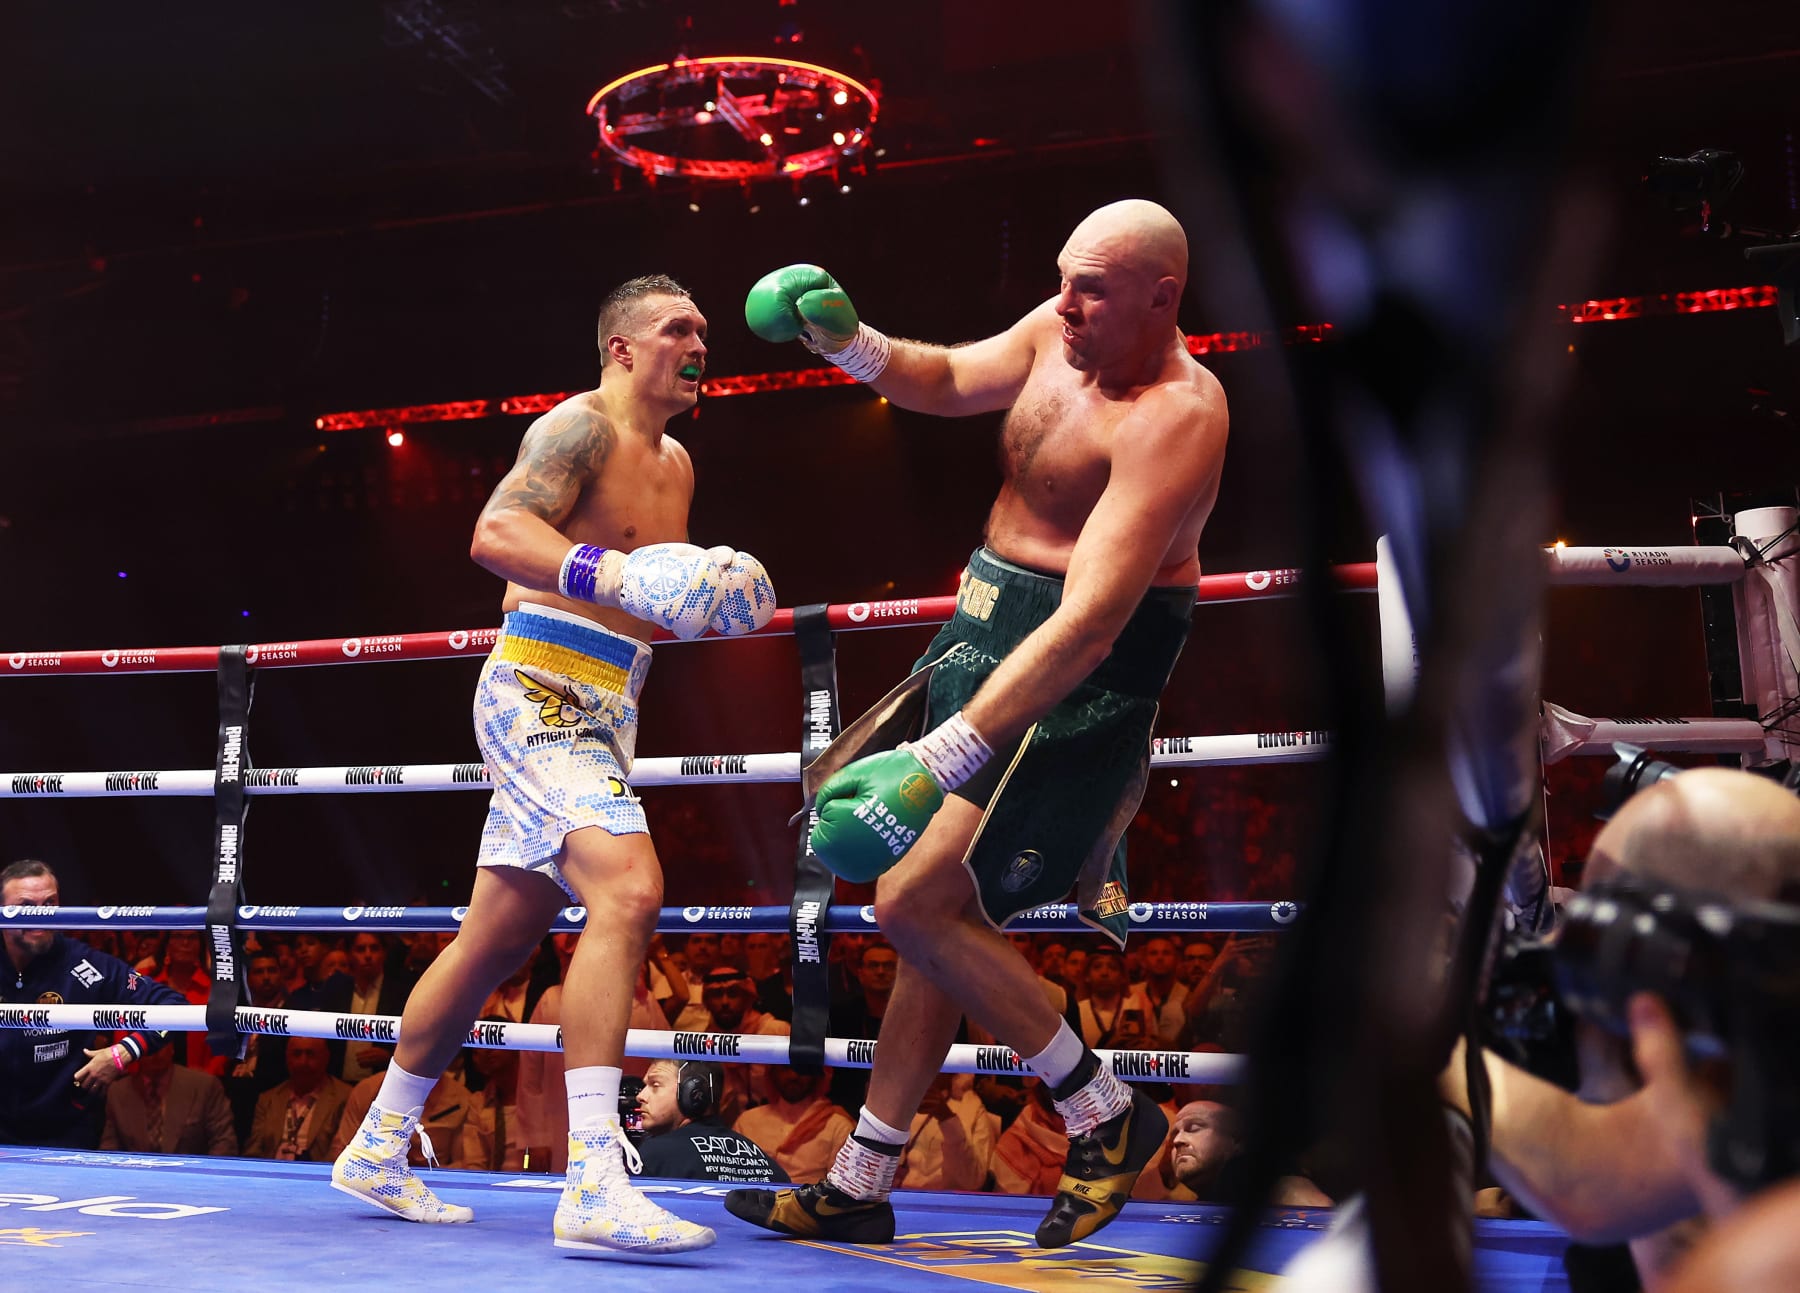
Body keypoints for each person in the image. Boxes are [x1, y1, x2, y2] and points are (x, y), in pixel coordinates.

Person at [728, 198, 1227, 1247]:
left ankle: (1102, 1110)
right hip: (978, 640)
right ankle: (861, 1186)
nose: (1065, 303)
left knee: (912, 904)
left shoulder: (1179, 414)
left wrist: (949, 748)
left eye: (1091, 287)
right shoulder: (1058, 333)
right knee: (937, 933)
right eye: (1063, 277)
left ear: (1162, 297)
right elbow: (950, 378)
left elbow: (1092, 623)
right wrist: (849, 343)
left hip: (1073, 684)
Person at [329, 273, 774, 1255]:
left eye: (703, 328)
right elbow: (496, 533)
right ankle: (594, 1182)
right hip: (538, 688)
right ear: (621, 348)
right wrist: (609, 573)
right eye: (677, 328)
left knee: (502, 929)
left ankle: (376, 1142)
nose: (700, 342)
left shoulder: (681, 464)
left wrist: (708, 594)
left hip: (614, 700)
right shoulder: (576, 429)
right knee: (628, 888)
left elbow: (648, 597)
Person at [1437, 768, 1800, 1293]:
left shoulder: (1762, 1261)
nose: (1562, 943)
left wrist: (1421, 1023)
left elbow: (1583, 1175)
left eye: (1596, 913)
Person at [0, 859, 192, 1148]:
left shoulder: (86, 965)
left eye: (49, 903)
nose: (40, 916)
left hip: (66, 1133)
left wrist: (122, 1052)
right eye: (26, 905)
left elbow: (176, 1007)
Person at [631, 1059, 789, 1184]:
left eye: (655, 1085)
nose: (641, 1096)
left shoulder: (655, 1155)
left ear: (693, 1093)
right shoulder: (767, 1165)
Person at [101, 1040, 238, 1156]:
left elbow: (224, 1143)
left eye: (160, 1044)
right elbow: (109, 1148)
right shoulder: (118, 1092)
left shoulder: (204, 1087)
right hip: (136, 1181)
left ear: (171, 1046)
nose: (155, 1052)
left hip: (192, 1180)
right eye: (149, 1045)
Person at [246, 1035, 351, 1161]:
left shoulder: (345, 1098)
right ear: (287, 1058)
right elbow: (253, 1152)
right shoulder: (268, 1099)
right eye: (296, 1054)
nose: (303, 1062)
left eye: (311, 1054)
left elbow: (344, 1157)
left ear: (326, 1057)